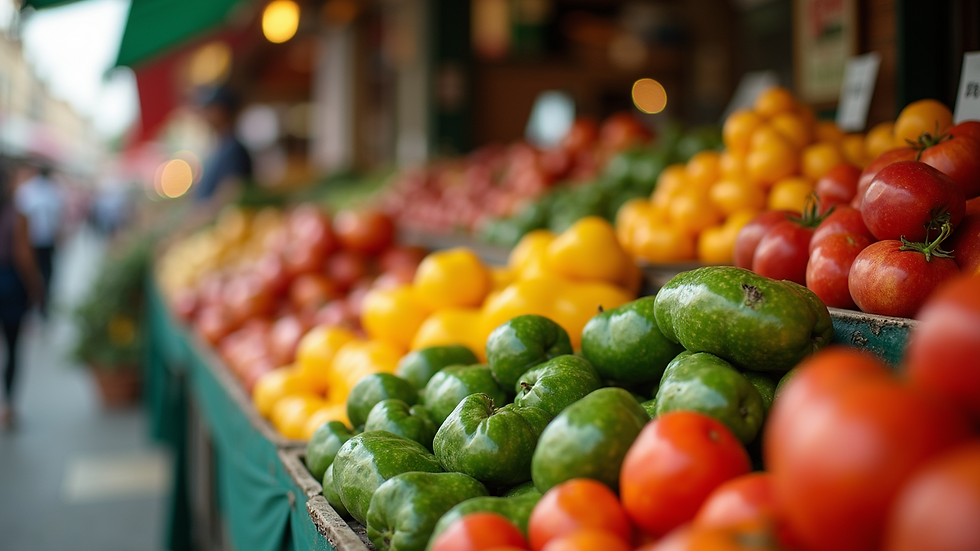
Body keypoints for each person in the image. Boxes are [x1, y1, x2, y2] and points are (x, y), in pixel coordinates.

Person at [0, 160, 45, 429]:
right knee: (13, 347)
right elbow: (23, 255)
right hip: (10, 283)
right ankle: (8, 405)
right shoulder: (18, 215)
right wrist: (36, 286)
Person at [14, 163, 64, 311]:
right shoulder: (52, 191)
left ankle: (34, 301)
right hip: (45, 240)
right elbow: (57, 216)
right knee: (46, 272)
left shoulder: (26, 189)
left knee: (32, 271)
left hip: (31, 240)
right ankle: (42, 302)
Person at [193, 87, 253, 205]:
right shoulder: (221, 146)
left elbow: (232, 192)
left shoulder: (234, 148)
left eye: (209, 109)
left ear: (221, 111)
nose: (205, 115)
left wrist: (201, 214)